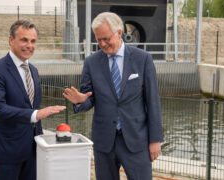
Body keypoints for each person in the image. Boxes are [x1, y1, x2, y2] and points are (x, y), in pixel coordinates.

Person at [63, 12, 163, 180]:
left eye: (106, 39)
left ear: (119, 32)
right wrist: (82, 101)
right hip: (104, 142)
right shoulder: (91, 62)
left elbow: (153, 102)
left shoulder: (143, 59)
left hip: (136, 140)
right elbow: (89, 98)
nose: (102, 44)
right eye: (98, 39)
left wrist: (155, 140)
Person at [0, 20, 66, 180]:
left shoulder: (33, 70)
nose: (29, 45)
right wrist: (35, 114)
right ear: (11, 40)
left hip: (33, 150)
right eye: (24, 40)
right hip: (8, 151)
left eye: (33, 41)